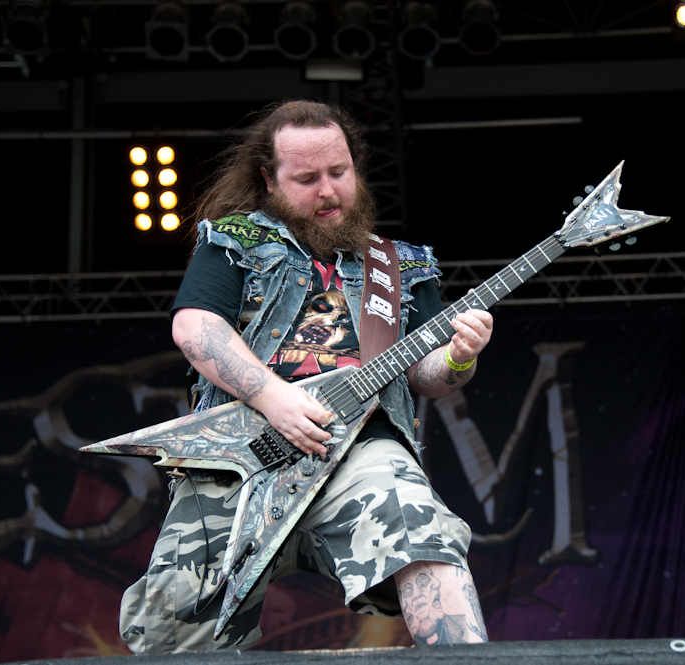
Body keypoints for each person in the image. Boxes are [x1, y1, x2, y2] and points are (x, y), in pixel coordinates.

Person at [119, 100, 492, 652]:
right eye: (307, 178)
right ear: (269, 180)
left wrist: (462, 356)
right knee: (173, 630)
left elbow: (427, 376)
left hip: (360, 450)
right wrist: (272, 397)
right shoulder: (233, 239)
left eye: (339, 173)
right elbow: (196, 328)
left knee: (423, 531)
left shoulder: (401, 265)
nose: (328, 192)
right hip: (243, 454)